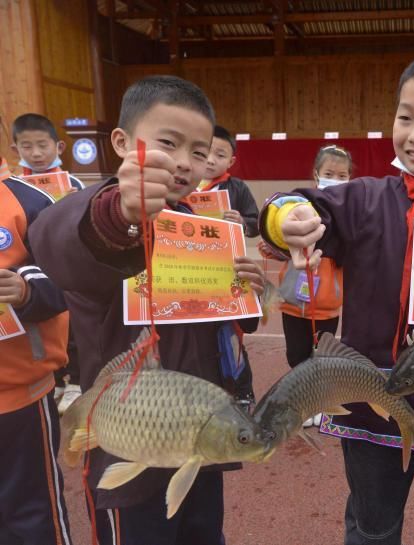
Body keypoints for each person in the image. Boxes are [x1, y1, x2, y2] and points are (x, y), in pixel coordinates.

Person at [260, 55, 414, 544]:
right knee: (373, 529)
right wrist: (287, 218)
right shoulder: (362, 200)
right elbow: (297, 203)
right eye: (404, 116)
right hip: (373, 412)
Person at [29, 75, 268, 545]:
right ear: (121, 142)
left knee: (204, 534)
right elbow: (53, 241)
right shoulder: (102, 209)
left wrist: (245, 292)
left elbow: (231, 327)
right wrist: (118, 216)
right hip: (127, 428)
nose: (185, 161)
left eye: (199, 152)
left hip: (199, 433)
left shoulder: (205, 230)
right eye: (168, 142)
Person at [0, 173, 72, 543]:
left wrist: (25, 290)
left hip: (20, 398)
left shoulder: (27, 200)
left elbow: (66, 276)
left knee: (33, 516)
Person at [267, 144, 350, 427]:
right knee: (297, 355)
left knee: (322, 358)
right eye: (330, 173)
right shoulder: (298, 205)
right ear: (316, 174)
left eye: (342, 176)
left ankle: (319, 403)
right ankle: (304, 403)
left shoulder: (350, 213)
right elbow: (273, 243)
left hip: (327, 305)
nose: (336, 180)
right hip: (293, 301)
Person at [11, 112, 86, 414]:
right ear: (15, 150)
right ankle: (56, 382)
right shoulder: (14, 187)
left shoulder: (73, 183)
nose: (37, 153)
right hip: (34, 273)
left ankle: (78, 383)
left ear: (59, 147)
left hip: (69, 270)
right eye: (27, 147)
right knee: (43, 327)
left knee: (75, 327)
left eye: (42, 145)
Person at [199, 124, 261, 407]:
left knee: (231, 335)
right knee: (198, 338)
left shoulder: (236, 188)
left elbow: (256, 223)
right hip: (192, 275)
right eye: (205, 151)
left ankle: (242, 391)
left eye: (219, 154)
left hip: (228, 274)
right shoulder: (182, 185)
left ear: (231, 161)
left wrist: (243, 223)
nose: (211, 159)